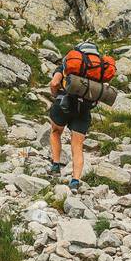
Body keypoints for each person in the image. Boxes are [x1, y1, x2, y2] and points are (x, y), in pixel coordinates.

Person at [46, 42, 98, 191]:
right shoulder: (95, 71)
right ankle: (75, 181)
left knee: (56, 132)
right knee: (77, 145)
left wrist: (56, 95)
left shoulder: (67, 65)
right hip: (84, 110)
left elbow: (55, 83)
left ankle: (56, 165)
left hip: (64, 105)